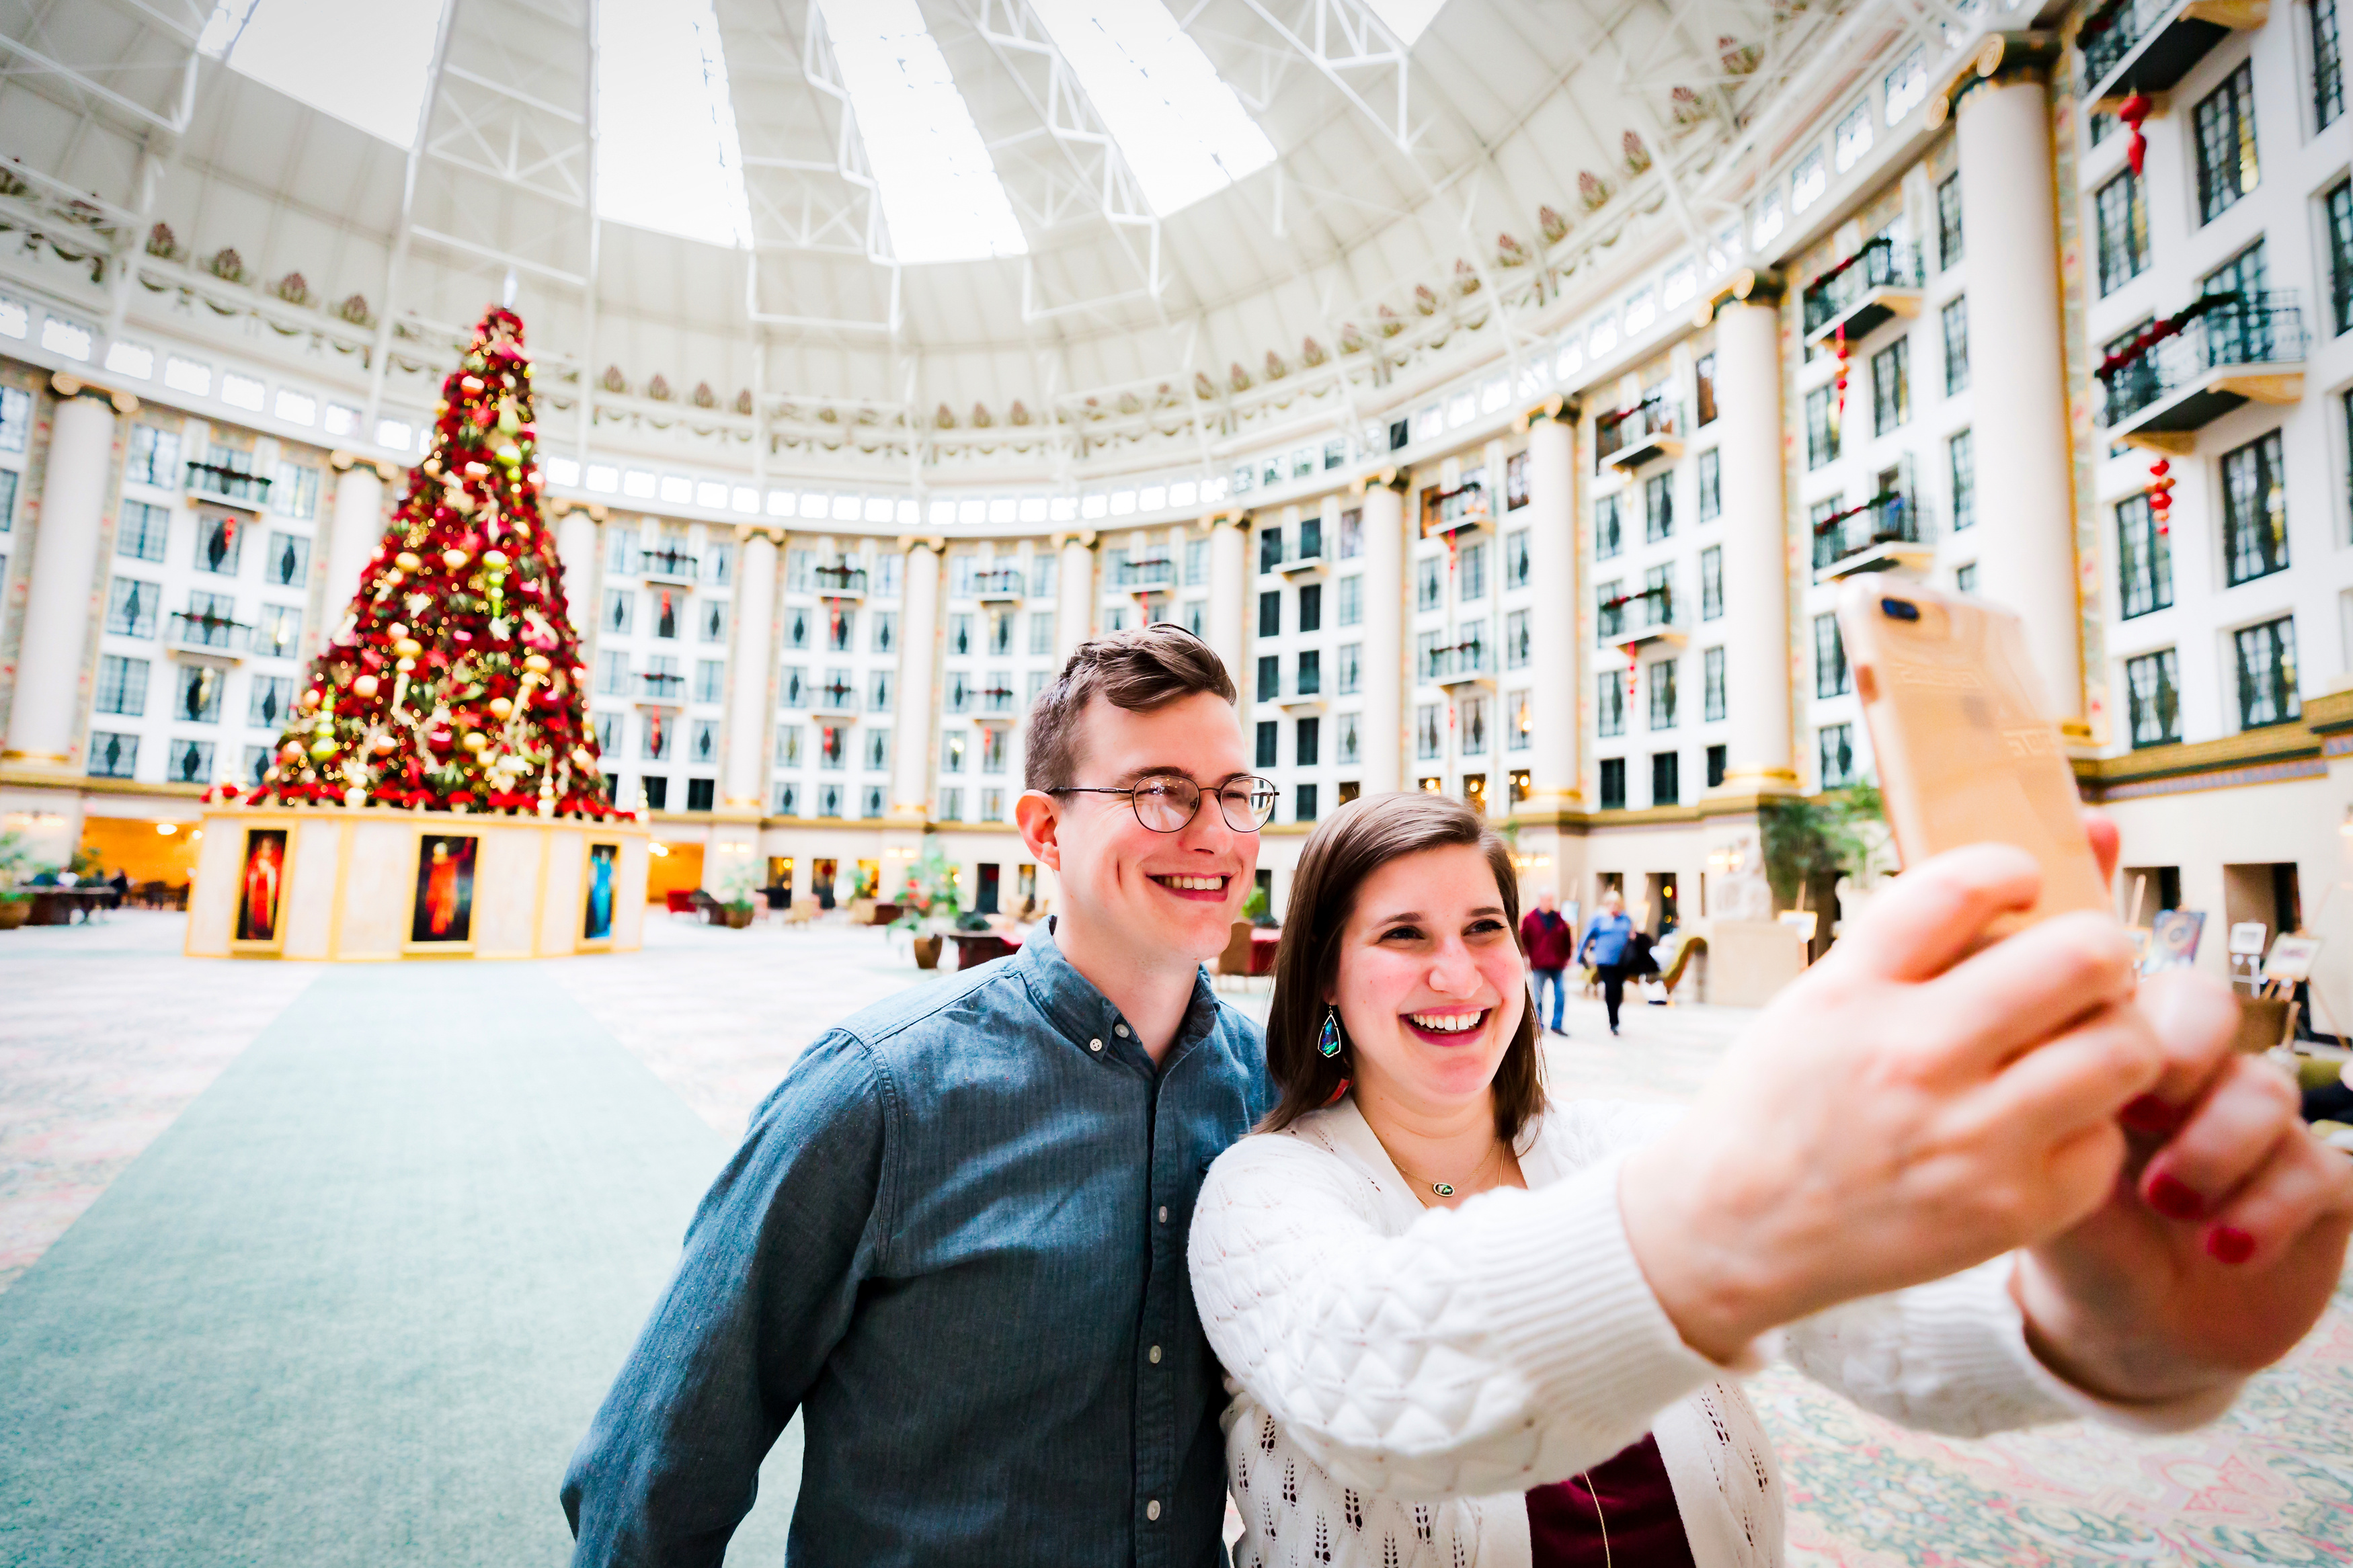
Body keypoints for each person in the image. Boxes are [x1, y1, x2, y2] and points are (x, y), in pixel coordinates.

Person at [1191, 792, 2352, 1567]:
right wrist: (1739, 1207)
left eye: (1485, 924)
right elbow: (1374, 1382)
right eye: (1402, 933)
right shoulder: (1264, 1192)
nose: (1459, 970)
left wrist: (2102, 1324)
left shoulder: (1613, 1146)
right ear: (1325, 981)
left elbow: (1871, 1315)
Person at [562, 625, 1277, 1567]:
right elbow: (655, 1469)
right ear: (1045, 829)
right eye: (1160, 793)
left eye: (1235, 795)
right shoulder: (879, 1094)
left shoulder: (1265, 1091)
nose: (1214, 833)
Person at [1579, 889, 1636, 1035]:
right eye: (1611, 904)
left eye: (1616, 904)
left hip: (1622, 961)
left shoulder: (1626, 919)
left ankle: (1616, 1017)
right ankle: (1613, 1022)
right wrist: (1579, 956)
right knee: (1611, 987)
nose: (1614, 907)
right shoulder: (1598, 918)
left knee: (1619, 989)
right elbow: (1586, 936)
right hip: (1604, 960)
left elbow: (1632, 935)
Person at [1519, 890, 1574, 1035]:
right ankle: (1538, 1024)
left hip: (1558, 964)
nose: (1550, 903)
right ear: (1541, 900)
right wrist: (1526, 958)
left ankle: (1557, 1025)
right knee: (1538, 996)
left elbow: (1567, 939)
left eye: (1552, 900)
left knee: (1561, 995)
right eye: (1548, 900)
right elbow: (1524, 940)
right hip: (1539, 964)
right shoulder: (1530, 919)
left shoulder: (1559, 918)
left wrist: (1568, 957)